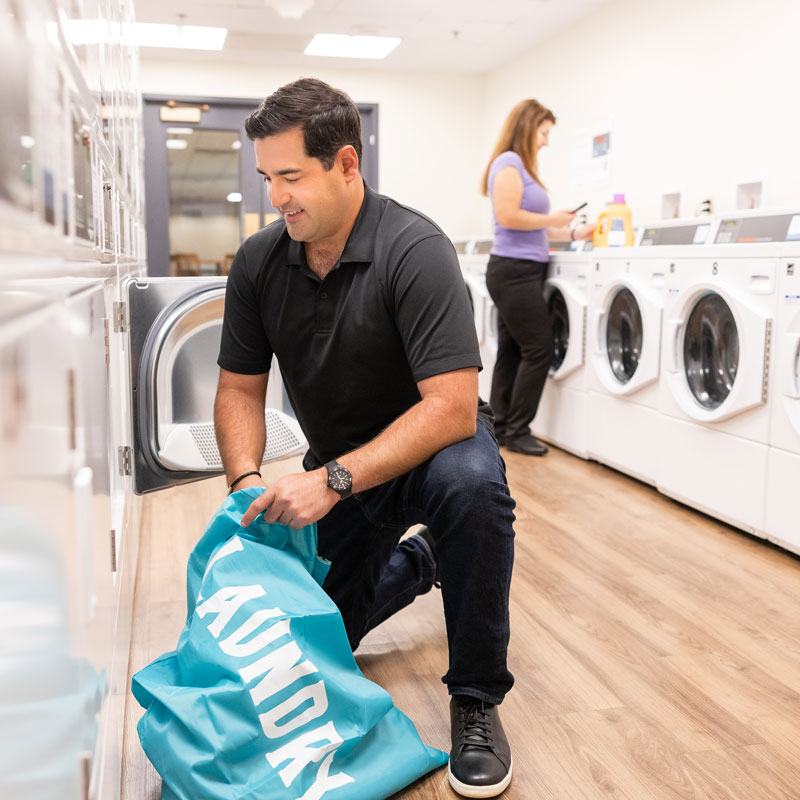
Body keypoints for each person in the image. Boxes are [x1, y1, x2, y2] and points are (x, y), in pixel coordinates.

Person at [214, 78, 516, 798]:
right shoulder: (259, 262)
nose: (275, 196)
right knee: (316, 645)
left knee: (475, 491)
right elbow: (239, 390)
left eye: (291, 176)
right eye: (267, 177)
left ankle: (476, 700)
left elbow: (452, 408)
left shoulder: (416, 249)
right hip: (337, 465)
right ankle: (422, 562)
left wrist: (331, 482)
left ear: (347, 164)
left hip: (432, 452)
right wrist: (246, 480)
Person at [481, 99, 594, 456]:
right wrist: (552, 219)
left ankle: (500, 428)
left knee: (512, 350)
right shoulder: (509, 162)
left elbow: (532, 228)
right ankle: (518, 430)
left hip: (521, 268)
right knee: (539, 348)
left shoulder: (521, 167)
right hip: (513, 270)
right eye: (544, 133)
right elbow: (508, 216)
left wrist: (574, 233)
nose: (546, 141)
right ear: (528, 128)